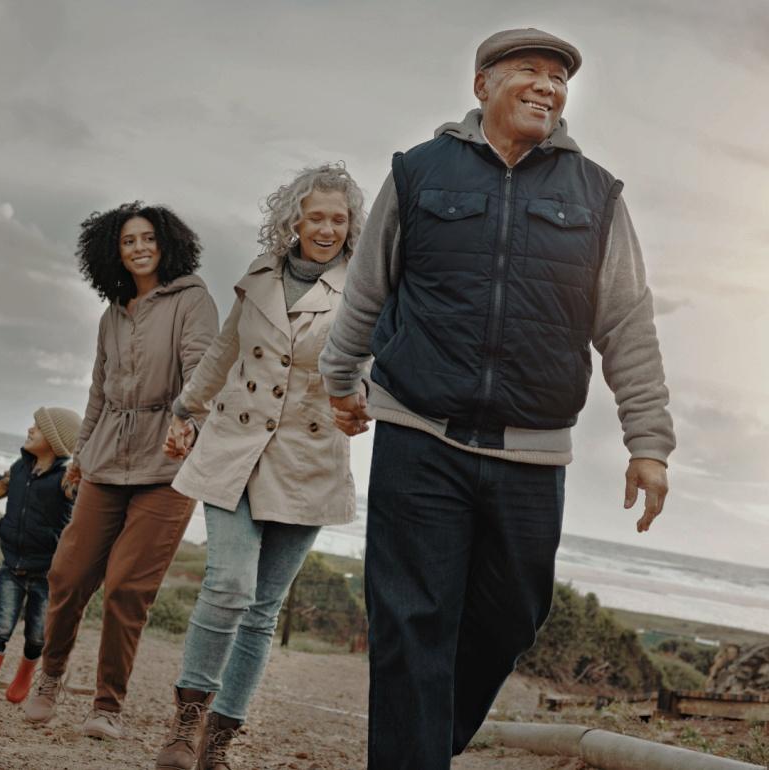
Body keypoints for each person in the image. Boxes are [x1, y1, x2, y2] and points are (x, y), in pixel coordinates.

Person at [319, 28, 676, 769]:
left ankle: (422, 743)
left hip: (532, 450)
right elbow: (368, 288)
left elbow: (627, 321)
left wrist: (649, 442)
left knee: (512, 617)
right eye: (529, 71)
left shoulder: (596, 194)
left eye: (559, 77)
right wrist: (339, 379)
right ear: (482, 84)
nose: (548, 86)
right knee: (409, 622)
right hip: (418, 432)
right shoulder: (418, 172)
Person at [153, 163, 365, 770]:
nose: (326, 227)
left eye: (338, 218)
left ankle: (216, 745)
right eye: (315, 215)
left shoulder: (363, 289)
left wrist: (361, 404)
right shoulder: (258, 277)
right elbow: (223, 352)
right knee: (230, 586)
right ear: (292, 220)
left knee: (263, 610)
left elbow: (371, 362)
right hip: (232, 450)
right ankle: (183, 723)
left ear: (351, 227)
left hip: (308, 461)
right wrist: (186, 410)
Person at [23, 202, 219, 740]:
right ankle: (52, 675)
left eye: (147, 238)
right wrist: (81, 456)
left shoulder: (192, 299)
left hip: (170, 464)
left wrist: (189, 418)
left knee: (127, 588)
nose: (138, 247)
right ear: (114, 251)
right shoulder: (113, 313)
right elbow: (98, 393)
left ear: (167, 243)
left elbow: (203, 366)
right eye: (128, 240)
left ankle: (107, 705)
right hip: (106, 458)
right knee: (67, 573)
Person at [0, 406, 81, 709]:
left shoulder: (65, 478)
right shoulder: (20, 468)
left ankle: (25, 675)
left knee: (37, 636)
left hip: (47, 572)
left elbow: (81, 494)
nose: (30, 430)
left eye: (38, 428)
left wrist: (83, 472)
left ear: (54, 440)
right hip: (12, 564)